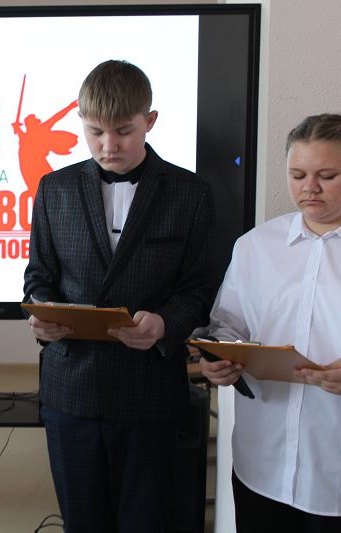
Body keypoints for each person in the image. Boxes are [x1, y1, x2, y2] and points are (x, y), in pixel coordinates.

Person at [23, 60, 216, 532]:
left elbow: (199, 288)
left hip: (149, 392)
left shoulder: (190, 193)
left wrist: (165, 324)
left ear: (150, 121)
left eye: (123, 131)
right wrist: (42, 315)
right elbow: (38, 277)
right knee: (81, 523)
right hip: (71, 390)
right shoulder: (54, 188)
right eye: (95, 132)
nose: (108, 145)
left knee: (145, 522)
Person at [199, 113, 341, 532]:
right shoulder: (255, 246)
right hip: (263, 464)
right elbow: (227, 327)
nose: (309, 188)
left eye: (327, 176)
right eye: (298, 175)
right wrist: (218, 361)